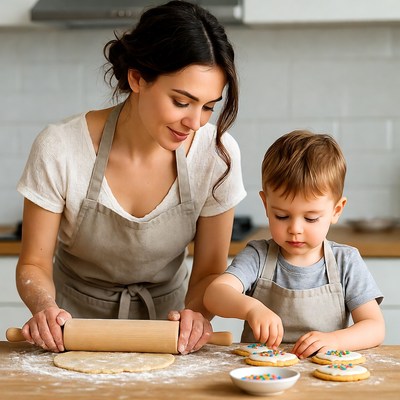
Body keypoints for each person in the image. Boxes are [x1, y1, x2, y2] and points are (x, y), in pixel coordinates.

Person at [15, 0, 246, 354]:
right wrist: (45, 309)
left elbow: (208, 273)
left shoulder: (216, 154)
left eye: (209, 106)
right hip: (72, 334)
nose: (195, 122)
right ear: (137, 78)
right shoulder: (61, 147)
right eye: (182, 102)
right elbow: (33, 264)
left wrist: (196, 316)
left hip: (169, 335)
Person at [204, 130, 385, 359]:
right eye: (281, 216)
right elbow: (215, 294)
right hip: (262, 377)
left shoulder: (345, 262)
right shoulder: (258, 256)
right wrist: (251, 309)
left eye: (310, 218)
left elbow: (374, 326)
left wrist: (336, 340)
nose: (295, 228)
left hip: (322, 375)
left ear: (336, 211)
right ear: (266, 204)